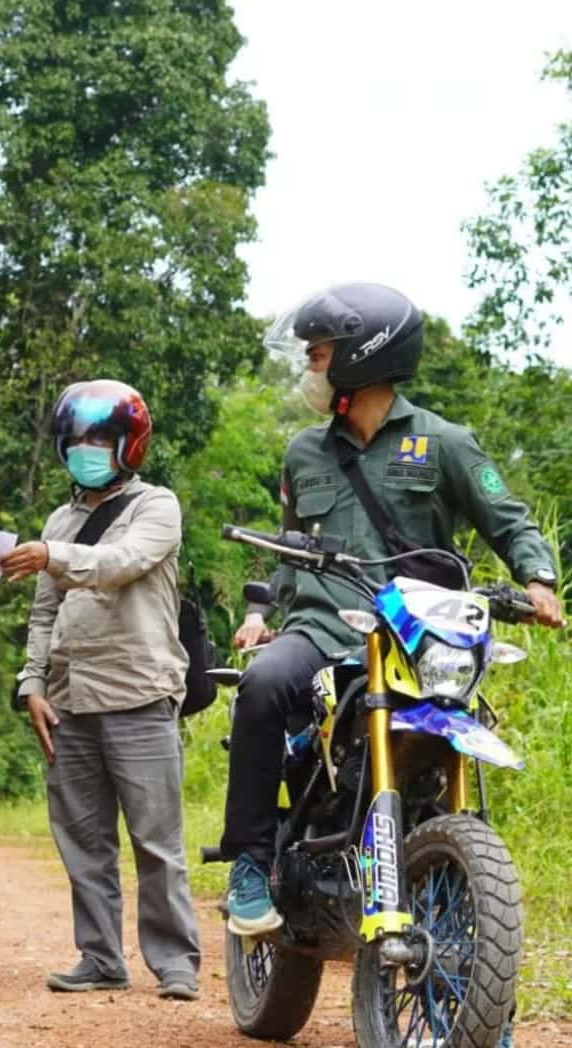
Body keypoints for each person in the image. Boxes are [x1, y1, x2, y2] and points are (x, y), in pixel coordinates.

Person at [220, 282, 565, 936]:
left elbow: (511, 521)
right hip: (321, 629)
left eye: (318, 355)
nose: (310, 369)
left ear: (360, 356)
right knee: (263, 686)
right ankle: (249, 863)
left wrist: (539, 579)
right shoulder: (304, 451)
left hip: (415, 636)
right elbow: (290, 547)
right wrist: (264, 611)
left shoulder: (445, 442)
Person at [1, 379, 202, 1002]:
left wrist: (51, 554)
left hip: (138, 693)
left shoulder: (156, 507)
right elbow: (42, 615)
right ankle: (99, 957)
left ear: (128, 446)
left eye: (101, 439)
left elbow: (119, 564)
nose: (87, 450)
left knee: (155, 841)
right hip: (69, 700)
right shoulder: (59, 520)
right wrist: (31, 683)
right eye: (78, 440)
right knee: (84, 842)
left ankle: (175, 963)